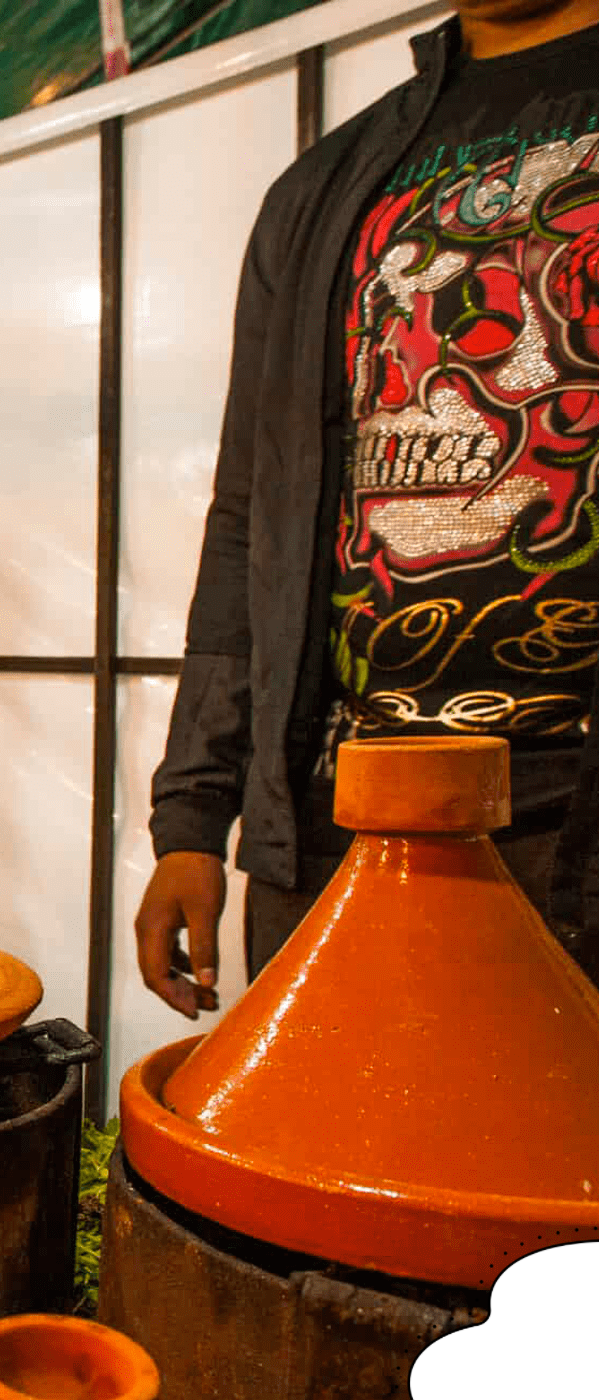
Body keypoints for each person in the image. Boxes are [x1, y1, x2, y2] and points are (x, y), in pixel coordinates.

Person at [136, 0, 599, 1017]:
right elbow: (248, 517)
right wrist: (193, 814)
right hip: (336, 810)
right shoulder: (326, 188)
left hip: (571, 817)